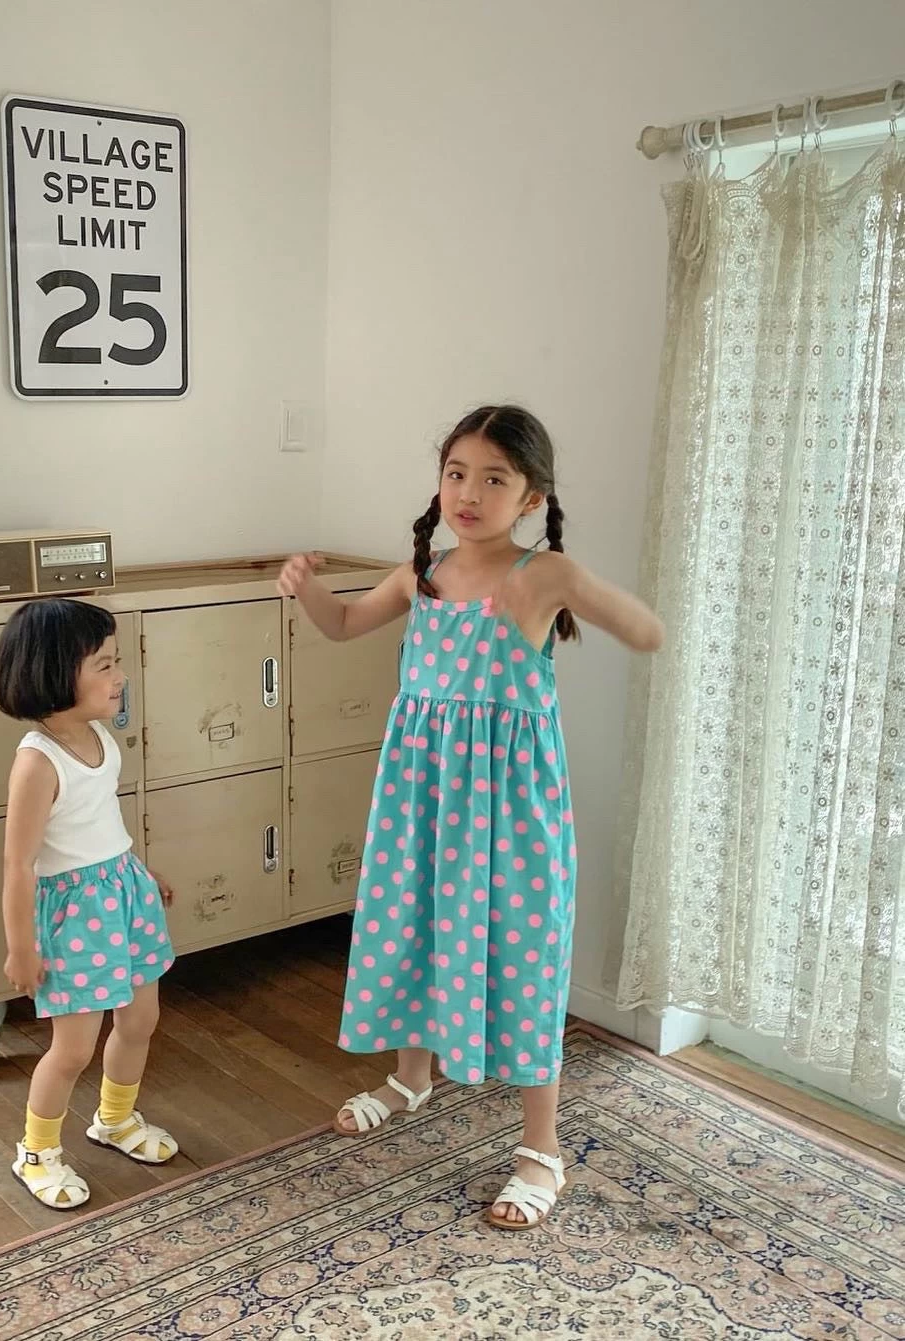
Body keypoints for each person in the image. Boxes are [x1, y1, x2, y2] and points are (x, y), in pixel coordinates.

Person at [278, 404, 663, 1229]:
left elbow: (644, 629)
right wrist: (307, 587)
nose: (470, 492)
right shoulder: (422, 572)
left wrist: (586, 595)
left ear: (531, 497)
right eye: (457, 473)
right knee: (412, 924)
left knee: (523, 953)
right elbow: (342, 624)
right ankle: (411, 1076)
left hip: (510, 807)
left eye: (494, 478)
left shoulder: (543, 574)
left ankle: (541, 1147)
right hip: (421, 797)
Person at [0, 598, 178, 1210]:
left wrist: (140, 871)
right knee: (72, 1049)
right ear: (53, 675)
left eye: (116, 661)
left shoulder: (100, 737)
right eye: (104, 665)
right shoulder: (36, 762)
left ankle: (115, 1119)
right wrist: (21, 947)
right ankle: (36, 1153)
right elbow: (18, 865)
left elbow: (99, 821)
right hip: (75, 916)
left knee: (140, 1021)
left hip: (123, 893)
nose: (119, 676)